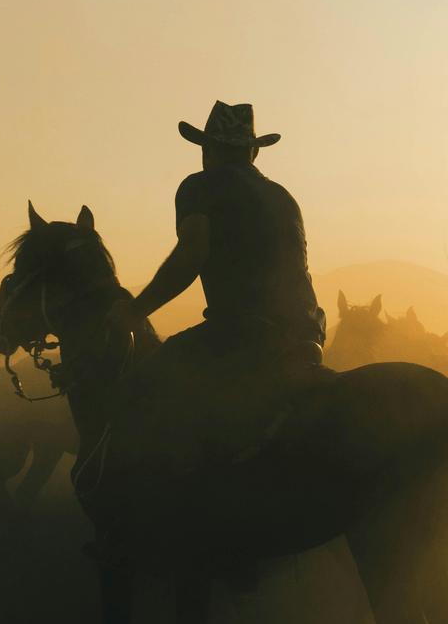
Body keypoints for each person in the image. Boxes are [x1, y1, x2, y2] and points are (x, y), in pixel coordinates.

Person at [87, 102, 327, 571]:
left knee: (143, 388)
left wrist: (135, 310)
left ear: (208, 151)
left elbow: (191, 253)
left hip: (245, 332)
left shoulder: (199, 187)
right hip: (307, 335)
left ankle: (137, 530)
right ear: (253, 154)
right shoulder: (283, 196)